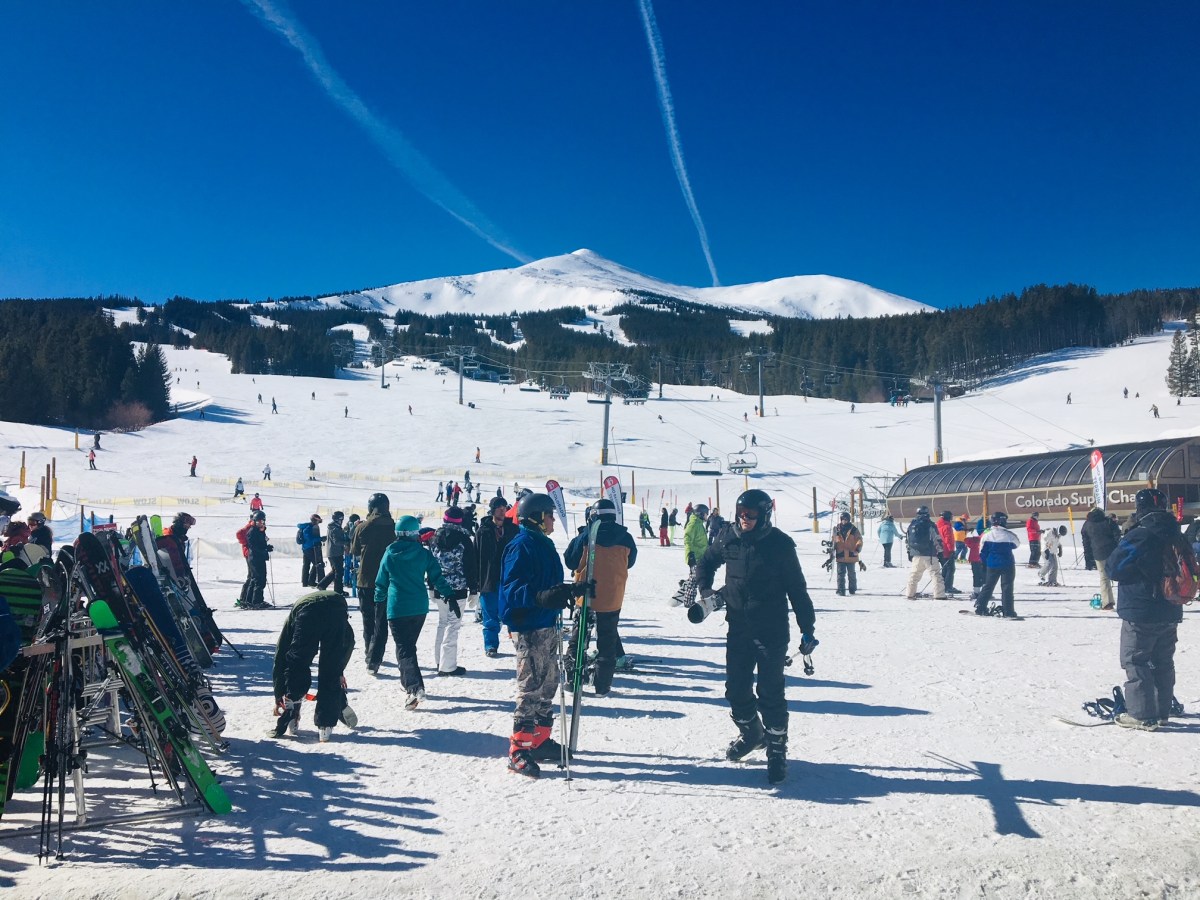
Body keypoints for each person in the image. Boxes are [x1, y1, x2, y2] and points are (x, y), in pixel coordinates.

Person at [694, 489, 816, 785]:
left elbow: (797, 589)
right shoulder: (728, 536)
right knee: (735, 690)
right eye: (740, 514)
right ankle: (752, 734)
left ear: (764, 515)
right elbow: (706, 560)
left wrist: (807, 628)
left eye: (750, 515)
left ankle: (776, 750)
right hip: (738, 626)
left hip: (771, 629)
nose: (744, 519)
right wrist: (705, 589)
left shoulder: (780, 545)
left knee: (770, 693)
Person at [498, 493, 587, 778]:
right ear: (536, 516)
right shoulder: (521, 545)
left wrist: (568, 591)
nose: (552, 520)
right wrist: (541, 596)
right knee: (530, 686)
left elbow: (546, 585)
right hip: (529, 626)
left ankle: (538, 740)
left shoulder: (542, 543)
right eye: (549, 514)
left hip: (546, 624)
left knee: (548, 683)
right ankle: (519, 750)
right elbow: (511, 589)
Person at [1106, 488, 1191, 730]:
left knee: (1136, 660)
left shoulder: (1141, 534)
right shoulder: (1176, 533)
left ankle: (1142, 715)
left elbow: (1114, 567)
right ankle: (1161, 711)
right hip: (1171, 607)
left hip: (1141, 608)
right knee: (1163, 661)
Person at [376, 515, 456, 710]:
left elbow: (381, 581)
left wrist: (378, 602)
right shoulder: (423, 553)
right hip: (419, 608)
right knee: (407, 647)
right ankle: (409, 684)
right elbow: (437, 576)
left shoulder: (390, 553)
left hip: (398, 608)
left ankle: (414, 688)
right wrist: (449, 595)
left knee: (405, 648)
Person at [563, 498, 637, 696]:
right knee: (607, 640)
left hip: (586, 595)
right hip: (612, 597)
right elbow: (630, 562)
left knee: (578, 640)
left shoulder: (587, 536)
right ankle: (602, 685)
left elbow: (570, 561)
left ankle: (573, 680)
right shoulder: (626, 538)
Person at [270, 588, 357, 741]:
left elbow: (281, 654)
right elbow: (348, 643)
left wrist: (279, 693)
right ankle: (325, 725)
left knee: (297, 661)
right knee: (330, 666)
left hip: (307, 613)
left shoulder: (292, 617)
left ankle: (292, 706)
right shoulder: (340, 612)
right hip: (336, 610)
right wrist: (339, 671)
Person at [429, 507, 478, 677]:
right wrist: (474, 589)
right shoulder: (464, 539)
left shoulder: (434, 537)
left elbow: (431, 564)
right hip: (457, 589)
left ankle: (439, 660)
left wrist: (430, 585)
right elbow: (470, 566)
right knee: (453, 626)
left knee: (442, 623)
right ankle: (447, 665)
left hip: (439, 586)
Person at [352, 493, 396, 675]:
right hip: (388, 580)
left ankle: (368, 653)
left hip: (366, 579)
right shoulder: (394, 527)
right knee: (382, 620)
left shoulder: (363, 527)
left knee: (368, 619)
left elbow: (354, 550)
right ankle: (375, 657)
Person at [475, 496, 519, 658]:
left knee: (513, 615)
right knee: (490, 617)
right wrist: (476, 583)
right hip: (488, 580)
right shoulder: (483, 531)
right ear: (493, 510)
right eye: (499, 508)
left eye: (504, 507)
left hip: (509, 579)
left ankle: (519, 643)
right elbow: (476, 556)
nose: (502, 510)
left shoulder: (513, 529)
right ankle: (491, 645)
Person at [972, 511, 1022, 617]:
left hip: (992, 564)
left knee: (988, 586)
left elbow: (982, 551)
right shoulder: (1009, 535)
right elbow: (1016, 544)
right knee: (1007, 587)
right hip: (1007, 564)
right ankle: (1008, 611)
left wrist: (985, 562)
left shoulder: (987, 535)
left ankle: (980, 607)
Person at [1082, 506, 1123, 610]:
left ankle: (1107, 603)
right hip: (1112, 552)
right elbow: (1117, 535)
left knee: (1104, 578)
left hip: (1098, 554)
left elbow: (1086, 544)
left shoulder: (1087, 524)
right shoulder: (1109, 521)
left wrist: (1088, 559)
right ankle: (1124, 601)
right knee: (1121, 576)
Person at [904, 507, 947, 600]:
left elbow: (907, 539)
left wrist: (909, 552)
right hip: (930, 554)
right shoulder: (930, 525)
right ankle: (939, 594)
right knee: (935, 575)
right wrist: (940, 552)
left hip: (916, 554)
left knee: (914, 575)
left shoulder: (912, 525)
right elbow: (936, 539)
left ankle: (910, 593)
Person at [244, 511, 273, 610]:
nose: (261, 523)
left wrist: (267, 547)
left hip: (259, 557)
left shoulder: (260, 531)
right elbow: (253, 546)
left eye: (262, 521)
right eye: (258, 521)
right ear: (255, 521)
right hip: (255, 558)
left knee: (257, 579)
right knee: (259, 580)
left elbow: (261, 543)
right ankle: (256, 601)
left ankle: (250, 601)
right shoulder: (252, 532)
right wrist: (264, 549)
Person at [832, 512, 863, 595]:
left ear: (848, 520)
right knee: (840, 574)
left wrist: (857, 549)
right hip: (840, 554)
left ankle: (852, 589)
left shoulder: (853, 529)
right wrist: (832, 550)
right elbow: (833, 541)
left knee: (851, 574)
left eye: (845, 519)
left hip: (851, 555)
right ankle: (841, 590)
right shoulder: (836, 529)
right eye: (842, 519)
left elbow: (859, 539)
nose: (844, 521)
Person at [298, 513, 325, 587]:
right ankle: (311, 581)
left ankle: (305, 582)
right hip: (309, 548)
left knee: (306, 565)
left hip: (307, 548)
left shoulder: (309, 526)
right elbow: (309, 539)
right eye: (317, 521)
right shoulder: (308, 527)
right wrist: (320, 539)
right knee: (316, 564)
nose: (318, 523)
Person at [936, 511, 960, 594]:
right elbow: (948, 540)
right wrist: (951, 550)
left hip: (941, 551)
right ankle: (948, 587)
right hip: (947, 551)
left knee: (945, 569)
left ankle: (943, 586)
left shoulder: (938, 526)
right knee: (951, 569)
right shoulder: (946, 527)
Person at [326, 511, 348, 595]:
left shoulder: (335, 527)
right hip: (335, 553)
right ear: (336, 520)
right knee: (339, 572)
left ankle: (322, 584)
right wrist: (346, 542)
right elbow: (337, 542)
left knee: (336, 571)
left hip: (335, 552)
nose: (342, 521)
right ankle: (338, 591)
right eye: (340, 519)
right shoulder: (334, 529)